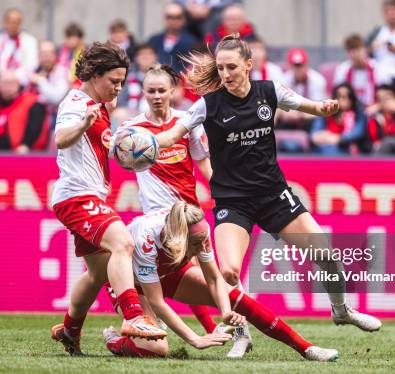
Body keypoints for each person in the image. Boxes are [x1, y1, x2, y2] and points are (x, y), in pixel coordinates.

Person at [154, 34, 382, 357]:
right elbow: (175, 133)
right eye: (220, 68)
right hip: (233, 201)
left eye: (231, 67)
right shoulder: (209, 104)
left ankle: (341, 309)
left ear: (249, 65)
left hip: (275, 195)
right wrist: (150, 144)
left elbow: (307, 105)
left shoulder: (268, 92)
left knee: (326, 256)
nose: (225, 74)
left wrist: (325, 108)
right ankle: (242, 335)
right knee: (229, 271)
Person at [102, 202, 340, 362]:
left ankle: (306, 348)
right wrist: (195, 339)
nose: (201, 247)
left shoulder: (198, 232)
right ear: (179, 237)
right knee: (156, 349)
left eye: (202, 241)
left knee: (236, 298)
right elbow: (158, 302)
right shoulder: (147, 238)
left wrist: (226, 311)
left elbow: (214, 278)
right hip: (131, 282)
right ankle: (115, 340)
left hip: (167, 269)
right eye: (195, 243)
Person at [49, 42, 167, 356]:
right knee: (123, 244)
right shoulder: (76, 103)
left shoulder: (100, 104)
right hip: (77, 196)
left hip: (87, 195)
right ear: (94, 74)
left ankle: (69, 330)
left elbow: (104, 113)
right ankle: (133, 318)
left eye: (120, 81)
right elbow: (60, 139)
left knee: (98, 274)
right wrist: (83, 124)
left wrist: (106, 110)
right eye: (113, 81)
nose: (117, 87)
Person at [116, 64, 217, 336]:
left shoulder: (186, 122)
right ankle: (202, 327)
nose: (157, 95)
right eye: (151, 91)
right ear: (143, 93)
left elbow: (203, 163)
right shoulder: (131, 130)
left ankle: (220, 327)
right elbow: (115, 156)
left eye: (162, 90)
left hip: (189, 212)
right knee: (184, 272)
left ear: (173, 91)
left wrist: (221, 192)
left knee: (207, 273)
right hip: (157, 217)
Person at [0, 70, 48, 153]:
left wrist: (25, 145)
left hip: (18, 153)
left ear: (18, 84)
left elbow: (34, 128)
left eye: (11, 83)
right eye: (4, 83)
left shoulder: (31, 102)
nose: (8, 87)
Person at [276, 48, 326, 132]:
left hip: (309, 118)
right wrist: (284, 113)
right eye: (295, 66)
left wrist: (300, 115)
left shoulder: (318, 80)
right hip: (289, 118)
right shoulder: (283, 80)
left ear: (306, 64)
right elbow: (279, 105)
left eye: (301, 65)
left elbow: (318, 107)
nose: (298, 69)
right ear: (290, 66)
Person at [310, 83, 369, 155]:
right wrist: (329, 138)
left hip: (348, 149)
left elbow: (356, 134)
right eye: (339, 96)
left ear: (352, 99)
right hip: (325, 147)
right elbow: (315, 135)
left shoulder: (359, 114)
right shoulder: (326, 112)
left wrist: (337, 138)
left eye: (346, 96)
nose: (342, 99)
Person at [0, 8, 39, 86]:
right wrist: (4, 77)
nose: (13, 25)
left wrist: (13, 77)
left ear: (21, 24)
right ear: (4, 23)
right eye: (10, 22)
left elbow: (32, 64)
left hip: (21, 82)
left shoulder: (29, 41)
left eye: (16, 22)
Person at [148, 2, 198, 73]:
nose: (173, 21)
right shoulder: (153, 40)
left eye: (178, 17)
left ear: (184, 19)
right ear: (164, 18)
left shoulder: (192, 42)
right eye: (169, 17)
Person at [334, 34, 377, 107]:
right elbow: (337, 94)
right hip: (350, 109)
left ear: (365, 49)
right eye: (350, 51)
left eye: (358, 49)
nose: (355, 54)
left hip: (373, 108)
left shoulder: (377, 68)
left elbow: (385, 94)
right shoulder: (342, 69)